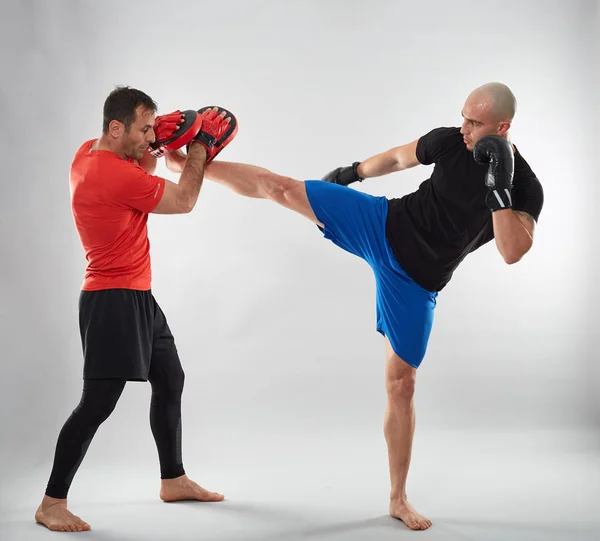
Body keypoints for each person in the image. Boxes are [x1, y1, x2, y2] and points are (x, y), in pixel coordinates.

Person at [195, 82, 544, 531]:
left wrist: (500, 182)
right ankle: (192, 164)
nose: (463, 129)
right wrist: (350, 173)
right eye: (462, 117)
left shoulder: (527, 186)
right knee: (280, 188)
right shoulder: (450, 141)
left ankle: (398, 499)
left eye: (474, 123)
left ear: (503, 127)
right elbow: (399, 158)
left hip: (417, 285)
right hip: (382, 224)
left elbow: (513, 250)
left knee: (402, 386)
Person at [35, 87, 236, 532]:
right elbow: (184, 200)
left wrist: (157, 142)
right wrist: (199, 148)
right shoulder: (113, 177)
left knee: (170, 379)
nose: (149, 137)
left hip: (137, 294)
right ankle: (52, 502)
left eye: (151, 128)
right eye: (143, 129)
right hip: (112, 300)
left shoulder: (89, 153)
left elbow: (138, 162)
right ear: (116, 128)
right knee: (98, 403)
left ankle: (174, 479)